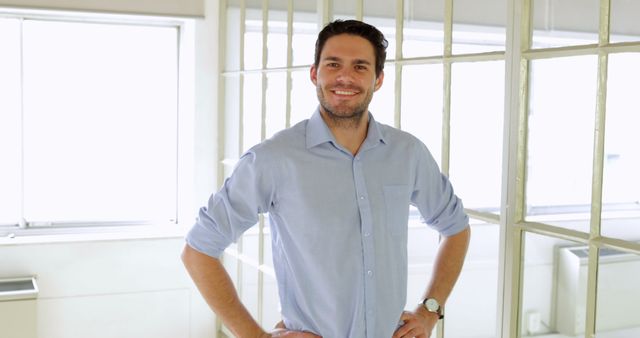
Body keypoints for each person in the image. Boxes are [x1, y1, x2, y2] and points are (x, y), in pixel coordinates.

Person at [182, 19, 471, 338]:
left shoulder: (408, 152)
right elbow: (198, 252)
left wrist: (430, 309)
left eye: (360, 66)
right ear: (314, 74)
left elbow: (455, 227)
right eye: (333, 64)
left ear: (378, 80)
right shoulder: (273, 158)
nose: (345, 76)